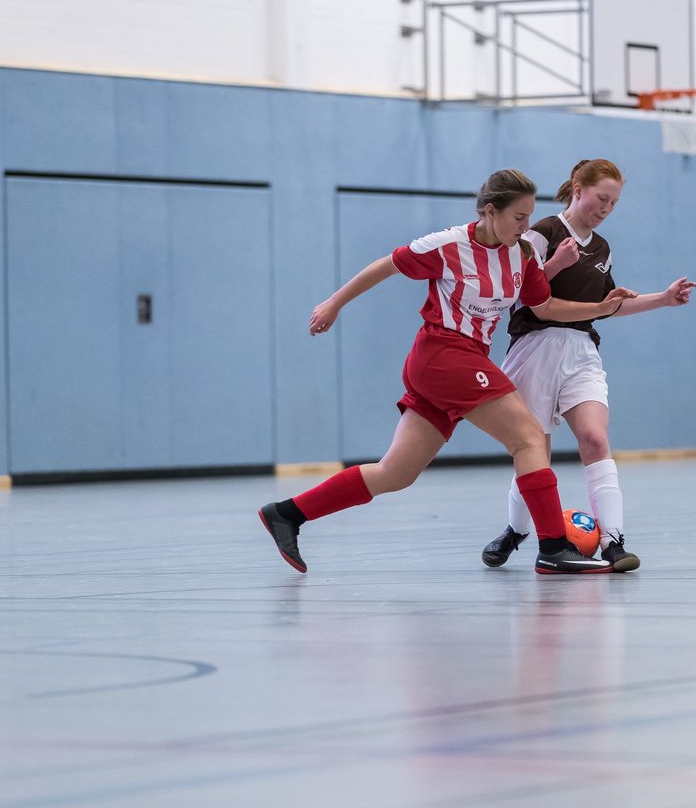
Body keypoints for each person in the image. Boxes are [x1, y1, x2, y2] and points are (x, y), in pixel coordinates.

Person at [258, 168, 638, 575]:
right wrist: (334, 303)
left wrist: (600, 309)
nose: (526, 227)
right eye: (518, 218)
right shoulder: (448, 244)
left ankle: (287, 513)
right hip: (444, 354)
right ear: (490, 212)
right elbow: (386, 266)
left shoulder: (522, 254)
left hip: (457, 363)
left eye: (530, 217)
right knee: (529, 436)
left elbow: (543, 307)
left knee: (396, 472)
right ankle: (552, 546)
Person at [481, 159, 696, 572]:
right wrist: (556, 265)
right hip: (535, 347)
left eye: (614, 203)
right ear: (577, 188)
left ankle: (613, 542)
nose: (606, 208)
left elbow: (606, 309)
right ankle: (516, 531)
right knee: (534, 451)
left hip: (581, 350)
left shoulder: (602, 248)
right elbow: (520, 294)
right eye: (602, 198)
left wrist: (663, 298)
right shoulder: (543, 232)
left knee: (596, 439)